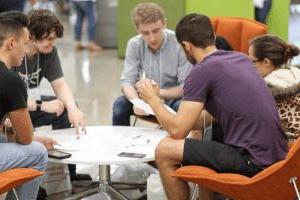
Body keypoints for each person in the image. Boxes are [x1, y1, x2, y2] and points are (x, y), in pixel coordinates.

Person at [136, 13, 288, 200]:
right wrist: (173, 117)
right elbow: (208, 118)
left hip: (253, 162)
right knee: (199, 140)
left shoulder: (201, 71)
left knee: (164, 150)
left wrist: (153, 100)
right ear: (213, 38)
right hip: (277, 159)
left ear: (186, 46)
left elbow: (177, 132)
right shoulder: (240, 59)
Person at [13, 9, 89, 182]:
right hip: (13, 110)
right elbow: (8, 100)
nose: (52, 44)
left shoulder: (48, 53)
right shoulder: (14, 53)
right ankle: (29, 179)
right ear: (31, 36)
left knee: (64, 109)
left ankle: (69, 175)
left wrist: (72, 108)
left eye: (54, 39)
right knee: (49, 106)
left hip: (30, 105)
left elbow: (60, 84)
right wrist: (41, 105)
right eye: (49, 39)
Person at [112, 2, 192, 126]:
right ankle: (121, 144)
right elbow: (127, 82)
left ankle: (177, 144)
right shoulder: (134, 44)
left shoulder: (179, 44)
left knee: (184, 107)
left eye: (156, 31)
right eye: (145, 33)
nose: (152, 38)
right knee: (119, 105)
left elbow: (185, 88)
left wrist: (157, 94)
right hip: (143, 99)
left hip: (172, 99)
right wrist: (137, 101)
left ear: (164, 23)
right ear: (137, 29)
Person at [0, 11, 47, 200]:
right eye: (25, 43)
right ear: (11, 43)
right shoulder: (11, 80)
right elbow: (26, 138)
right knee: (38, 152)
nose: (26, 50)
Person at [249, 34, 300, 145]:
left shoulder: (265, 91)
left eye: (251, 61)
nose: (249, 66)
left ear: (266, 62)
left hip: (282, 152)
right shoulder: (294, 75)